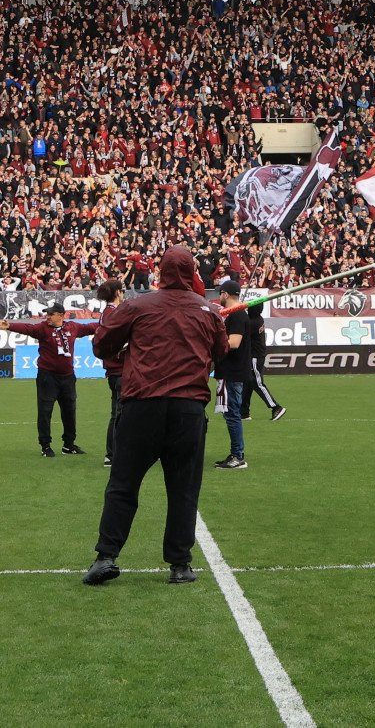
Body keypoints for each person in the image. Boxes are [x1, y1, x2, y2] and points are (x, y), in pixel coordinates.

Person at [83, 245, 229, 587]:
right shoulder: (207, 310)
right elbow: (221, 351)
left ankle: (106, 556)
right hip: (188, 408)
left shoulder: (137, 306)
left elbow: (101, 345)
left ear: (160, 272)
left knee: (123, 483)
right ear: (192, 272)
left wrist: (126, 348)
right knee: (183, 489)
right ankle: (179, 564)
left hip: (142, 405)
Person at [1, 304, 96, 458]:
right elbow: (28, 328)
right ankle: (45, 446)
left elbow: (91, 327)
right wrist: (10, 326)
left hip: (68, 377)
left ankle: (68, 444)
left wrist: (111, 323)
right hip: (47, 377)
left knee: (69, 411)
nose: (48, 317)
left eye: (51, 314)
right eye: (47, 314)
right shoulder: (43, 328)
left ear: (61, 315)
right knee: (45, 412)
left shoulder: (73, 327)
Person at [213, 281, 253, 470]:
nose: (219, 297)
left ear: (226, 294)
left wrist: (212, 344)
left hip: (233, 372)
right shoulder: (236, 314)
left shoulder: (237, 315)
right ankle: (236, 453)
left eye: (220, 293)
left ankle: (238, 455)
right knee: (230, 414)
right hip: (230, 371)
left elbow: (234, 343)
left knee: (232, 415)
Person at [94, 279, 125, 468]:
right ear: (118, 293)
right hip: (120, 369)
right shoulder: (113, 313)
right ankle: (114, 454)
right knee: (121, 413)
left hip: (115, 370)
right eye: (123, 291)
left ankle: (113, 454)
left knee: (118, 412)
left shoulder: (107, 312)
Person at [245, 291, 286, 421]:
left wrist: (236, 313)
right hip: (256, 355)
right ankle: (244, 412)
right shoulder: (258, 319)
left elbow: (241, 329)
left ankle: (276, 407)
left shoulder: (252, 322)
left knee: (257, 383)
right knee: (248, 382)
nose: (247, 307)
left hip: (255, 356)